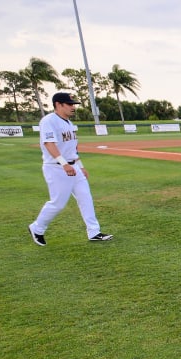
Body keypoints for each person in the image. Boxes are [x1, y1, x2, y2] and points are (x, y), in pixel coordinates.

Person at [27, 92, 113, 246]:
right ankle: (37, 227)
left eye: (73, 104)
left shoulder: (69, 123)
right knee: (58, 203)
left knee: (86, 198)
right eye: (69, 104)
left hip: (73, 167)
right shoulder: (49, 121)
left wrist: (81, 166)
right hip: (56, 168)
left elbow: (72, 149)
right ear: (58, 105)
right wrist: (64, 164)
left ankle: (94, 232)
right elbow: (49, 144)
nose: (73, 107)